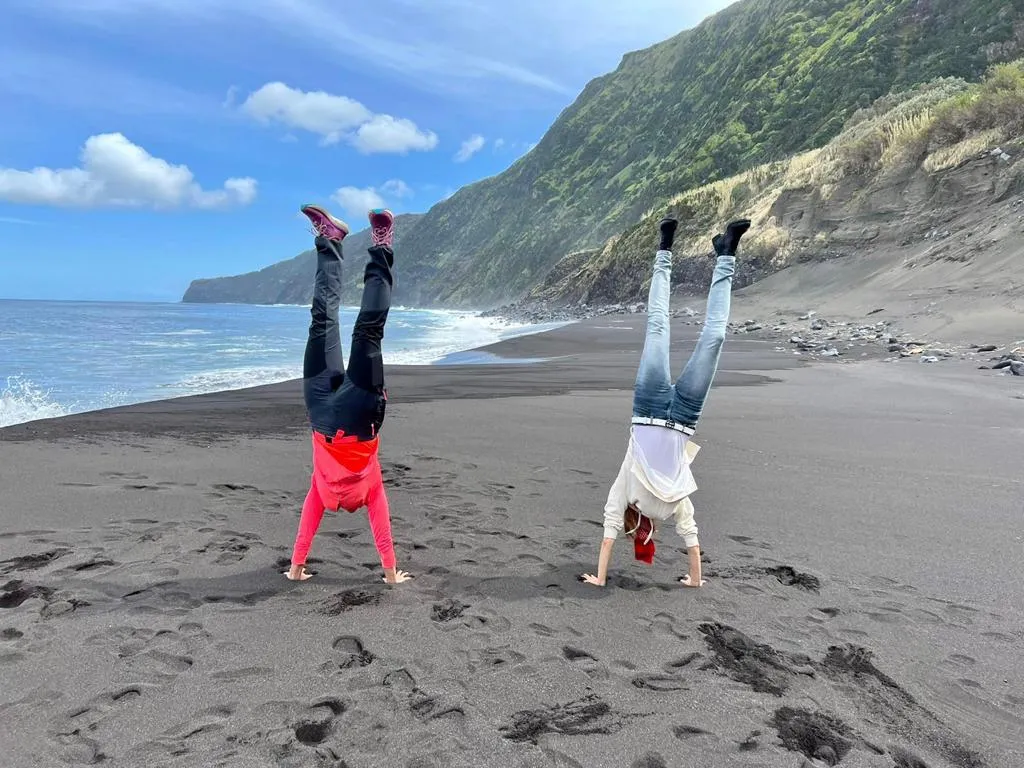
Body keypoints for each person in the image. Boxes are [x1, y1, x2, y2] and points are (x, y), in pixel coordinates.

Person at [582, 215, 751, 589]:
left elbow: (609, 532)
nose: (653, 530)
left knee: (659, 327)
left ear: (640, 526)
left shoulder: (624, 497)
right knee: (715, 338)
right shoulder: (675, 502)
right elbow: (691, 537)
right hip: (685, 416)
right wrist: (695, 579)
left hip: (647, 409)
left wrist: (600, 578)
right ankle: (727, 254)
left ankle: (664, 248)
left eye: (646, 532)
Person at [284, 204, 412, 585]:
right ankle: (382, 245)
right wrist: (389, 574)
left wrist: (296, 569)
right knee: (363, 332)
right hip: (353, 414)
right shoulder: (358, 490)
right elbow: (379, 526)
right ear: (350, 504)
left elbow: (377, 527)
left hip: (326, 409)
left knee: (329, 323)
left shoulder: (327, 493)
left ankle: (332, 239)